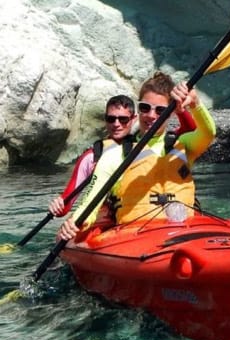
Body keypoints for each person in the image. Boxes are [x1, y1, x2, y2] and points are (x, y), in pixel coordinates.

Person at [50, 87, 200, 241]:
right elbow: (68, 201)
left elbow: (190, 130)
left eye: (123, 119)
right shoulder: (93, 156)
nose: (117, 124)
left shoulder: (146, 144)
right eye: (111, 119)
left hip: (144, 218)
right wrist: (60, 206)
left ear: (134, 119)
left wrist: (181, 109)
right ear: (105, 120)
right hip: (104, 219)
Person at [107, 71, 216, 226]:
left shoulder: (183, 144)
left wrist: (195, 103)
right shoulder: (118, 151)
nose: (151, 115)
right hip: (133, 236)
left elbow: (208, 133)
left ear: (171, 113)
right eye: (145, 108)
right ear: (138, 110)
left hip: (182, 232)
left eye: (160, 110)